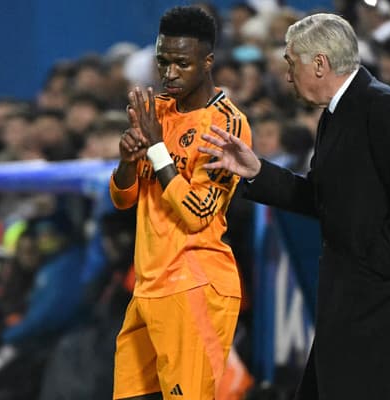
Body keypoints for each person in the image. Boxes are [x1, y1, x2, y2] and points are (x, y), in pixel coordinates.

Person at [199, 13, 390, 400]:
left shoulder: (382, 107)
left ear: (320, 63)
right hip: (358, 306)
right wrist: (256, 170)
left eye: (292, 63)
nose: (287, 76)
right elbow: (320, 198)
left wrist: (376, 266)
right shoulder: (336, 114)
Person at [109, 6, 252, 400]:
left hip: (196, 285)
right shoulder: (156, 112)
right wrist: (126, 158)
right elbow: (123, 199)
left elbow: (197, 213)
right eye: (163, 61)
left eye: (182, 64)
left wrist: (156, 147)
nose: (169, 73)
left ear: (207, 63)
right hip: (148, 286)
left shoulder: (226, 123)